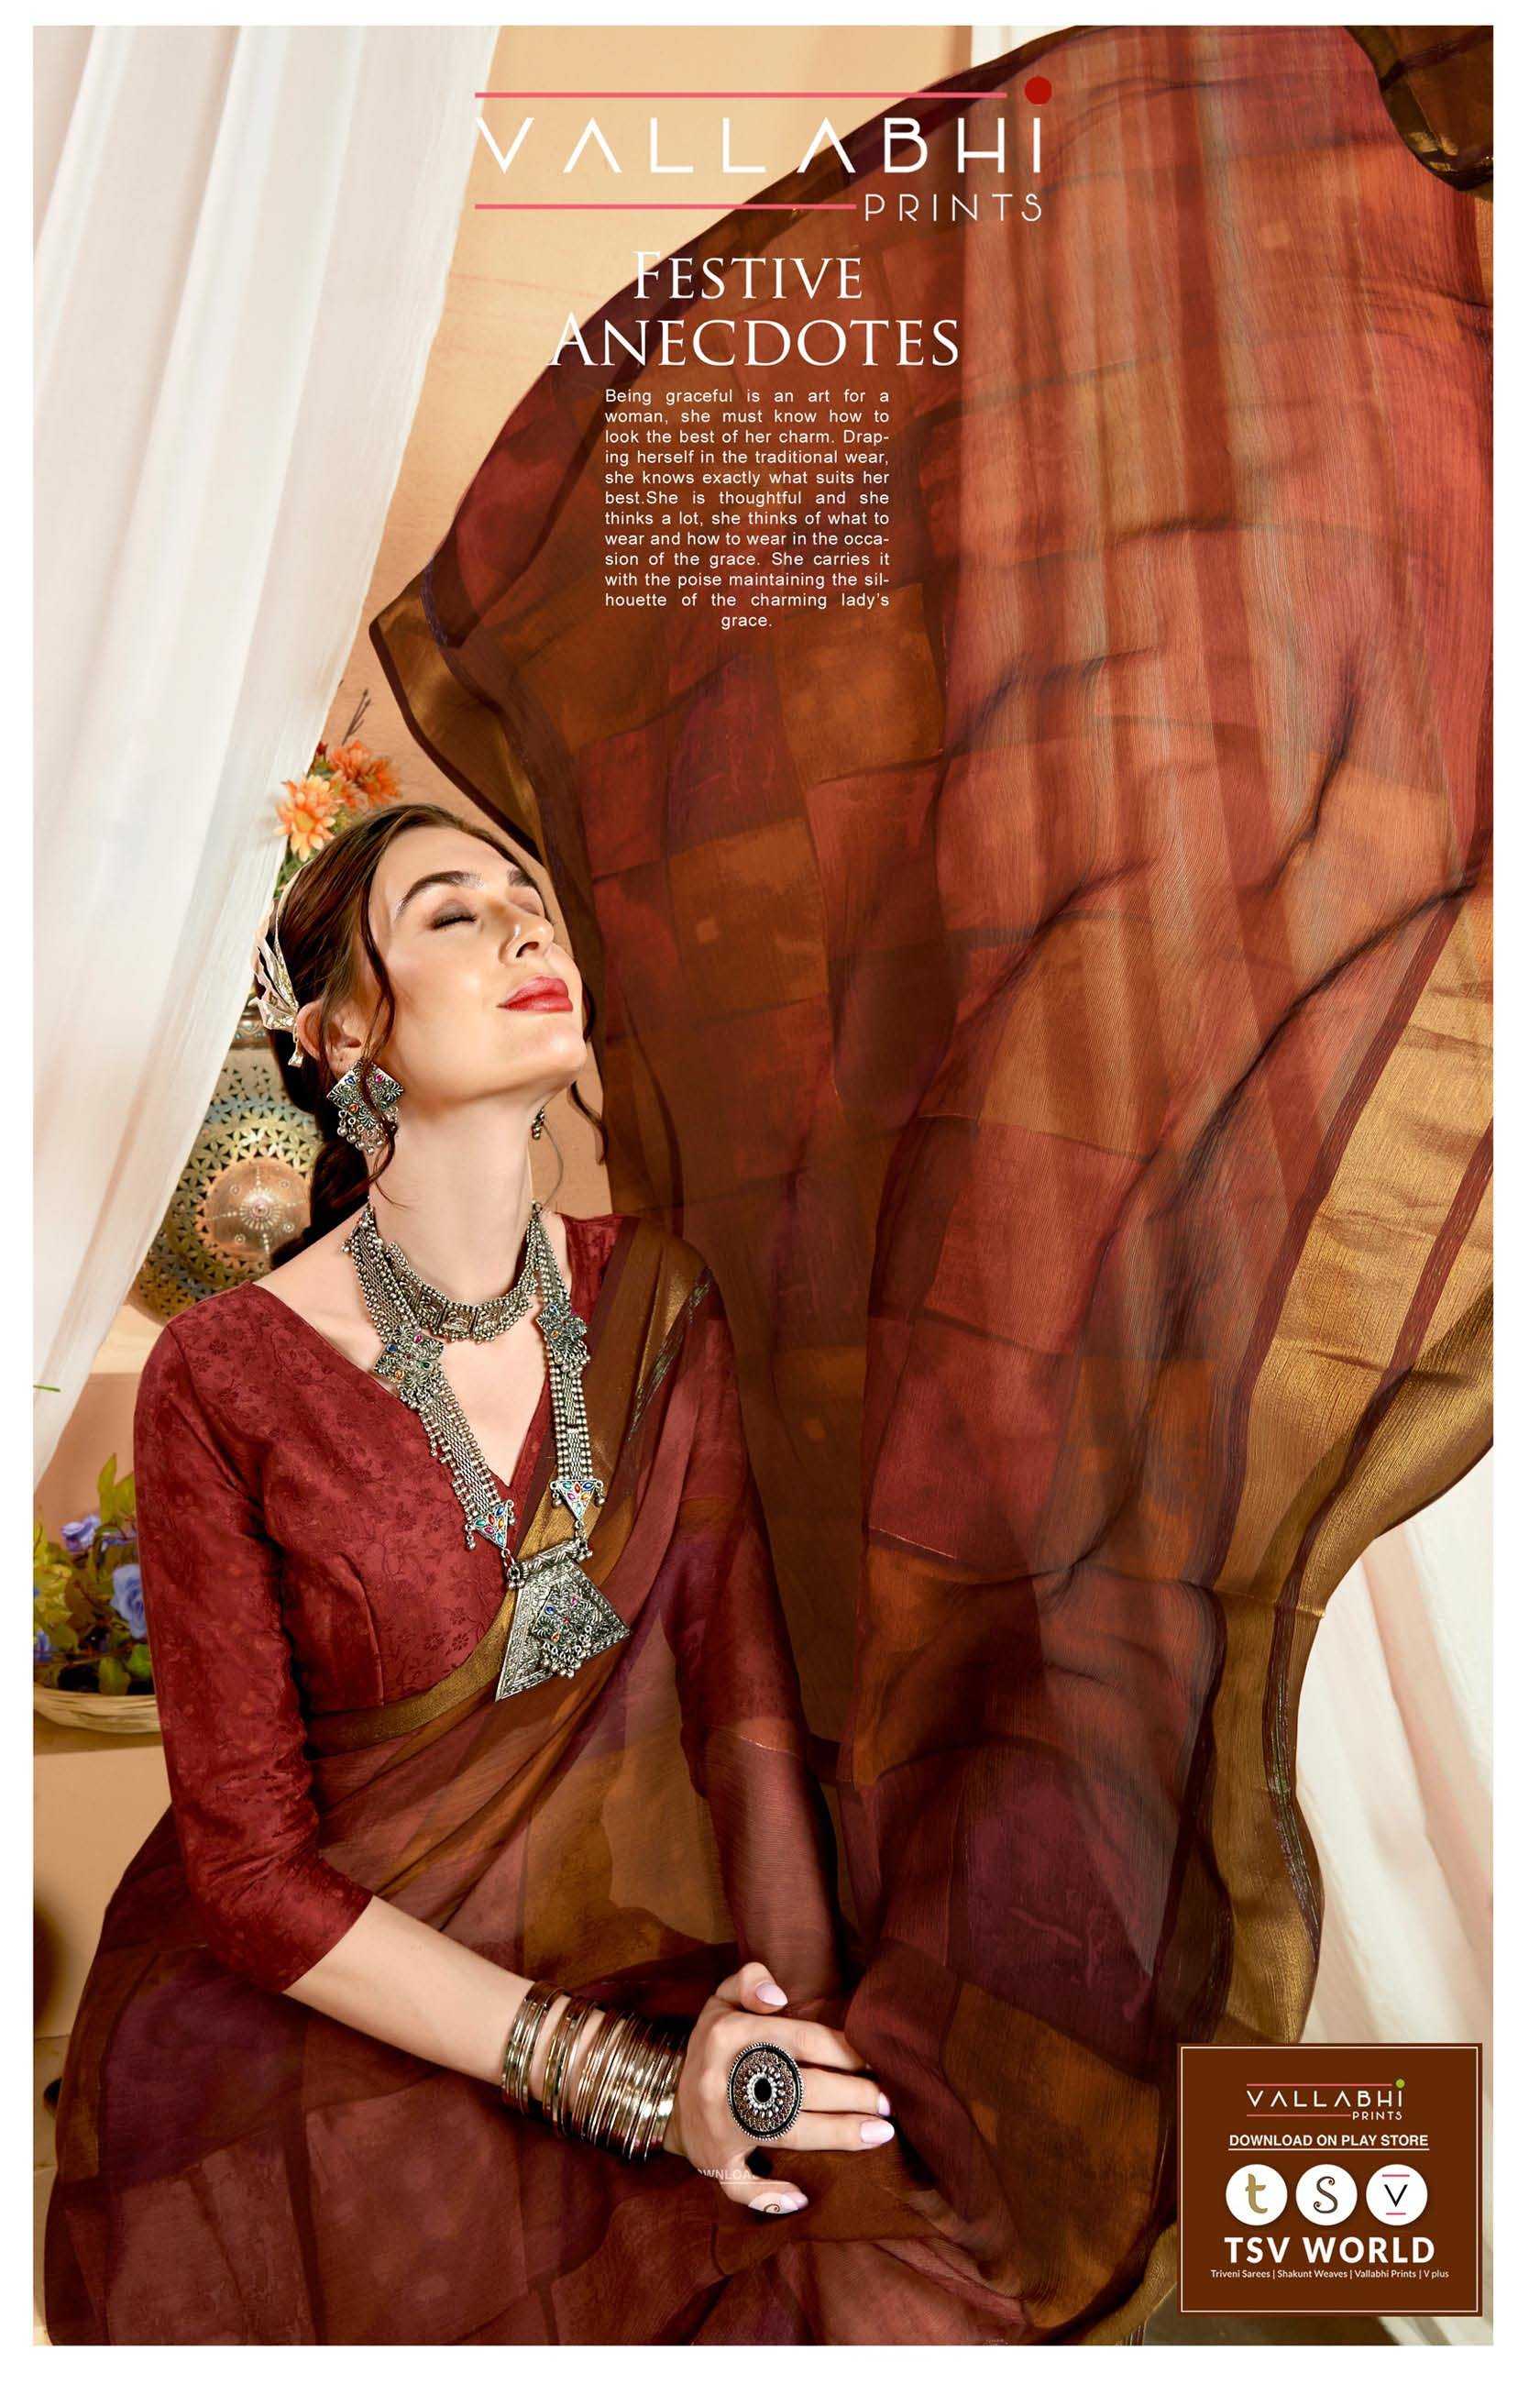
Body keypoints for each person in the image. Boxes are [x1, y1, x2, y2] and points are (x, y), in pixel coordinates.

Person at [44, 800, 1022, 2345]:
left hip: (646, 1970)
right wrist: (629, 2087)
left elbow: (744, 1723)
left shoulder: (657, 1304)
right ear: (342, 1032)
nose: (523, 929)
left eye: (531, 902)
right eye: (451, 911)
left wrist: (788, 2052)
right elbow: (247, 1881)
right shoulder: (224, 1376)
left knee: (882, 2281)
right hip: (333, 2038)